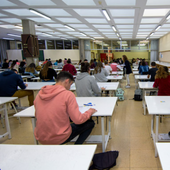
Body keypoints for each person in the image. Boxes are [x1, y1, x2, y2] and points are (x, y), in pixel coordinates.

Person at [34, 71, 96, 145]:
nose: (70, 87)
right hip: (59, 137)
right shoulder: (68, 94)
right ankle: (77, 147)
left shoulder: (40, 93)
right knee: (90, 123)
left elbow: (37, 114)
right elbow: (78, 120)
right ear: (67, 81)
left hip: (41, 137)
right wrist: (89, 112)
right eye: (70, 84)